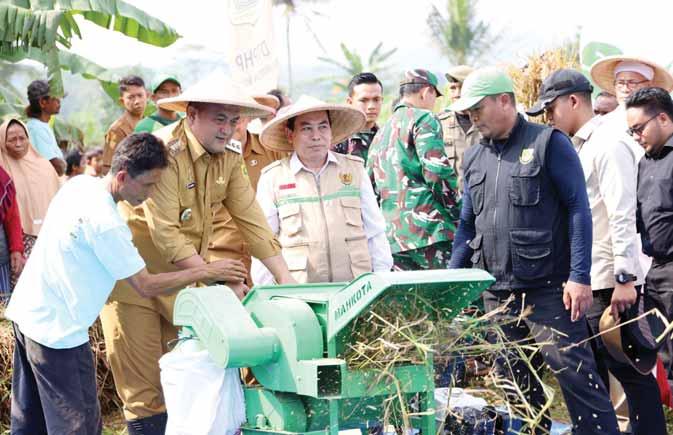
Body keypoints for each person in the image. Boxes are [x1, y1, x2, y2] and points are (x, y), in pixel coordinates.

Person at [5, 132, 250, 435]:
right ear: (122, 176)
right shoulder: (107, 223)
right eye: (147, 185)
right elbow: (145, 286)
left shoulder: (80, 185)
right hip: (58, 331)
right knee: (78, 425)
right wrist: (205, 272)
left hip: (27, 314)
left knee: (30, 423)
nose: (151, 194)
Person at [99, 76, 295, 434]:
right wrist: (214, 276)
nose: (227, 129)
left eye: (233, 120)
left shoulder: (229, 158)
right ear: (191, 115)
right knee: (144, 393)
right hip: (136, 282)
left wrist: (287, 281)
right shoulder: (163, 154)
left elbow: (252, 221)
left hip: (184, 282)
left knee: (190, 378)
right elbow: (166, 235)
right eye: (219, 119)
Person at [448, 67, 620, 435]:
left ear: (504, 101)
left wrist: (579, 276)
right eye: (468, 112)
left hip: (549, 290)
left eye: (477, 109)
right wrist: (450, 284)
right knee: (516, 388)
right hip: (497, 294)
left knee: (577, 379)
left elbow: (578, 209)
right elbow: (466, 226)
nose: (473, 118)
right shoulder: (474, 157)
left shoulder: (547, 143)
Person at [527, 69, 665, 434]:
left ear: (573, 101)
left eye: (551, 109)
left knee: (630, 371)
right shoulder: (576, 146)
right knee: (595, 369)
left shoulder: (608, 143)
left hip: (609, 279)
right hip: (587, 277)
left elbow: (622, 212)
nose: (548, 118)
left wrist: (625, 278)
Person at [254, 95, 393, 284]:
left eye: (323, 127)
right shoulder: (273, 177)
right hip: (299, 291)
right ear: (290, 134)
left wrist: (382, 279)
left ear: (331, 131)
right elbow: (264, 242)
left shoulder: (354, 170)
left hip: (356, 287)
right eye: (306, 128)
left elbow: (375, 231)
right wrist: (268, 290)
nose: (316, 136)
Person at [367, 69, 460, 271]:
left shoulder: (380, 133)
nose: (434, 103)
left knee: (409, 292)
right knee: (445, 290)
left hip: (393, 239)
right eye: (435, 96)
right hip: (429, 233)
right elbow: (436, 172)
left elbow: (370, 185)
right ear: (426, 92)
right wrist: (457, 212)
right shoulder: (424, 118)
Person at [207, 95, 287, 285]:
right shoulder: (205, 156)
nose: (230, 126)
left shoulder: (273, 149)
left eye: (237, 119)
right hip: (222, 258)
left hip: (270, 258)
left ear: (248, 118)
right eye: (222, 118)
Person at [627, 87, 673, 388]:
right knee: (666, 356)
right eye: (631, 131)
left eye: (639, 128)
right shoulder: (644, 162)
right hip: (655, 271)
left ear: (664, 119)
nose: (636, 136)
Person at [0, 119, 60, 281]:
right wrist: (16, 247)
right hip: (15, 241)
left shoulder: (45, 166)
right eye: (12, 140)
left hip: (48, 236)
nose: (18, 144)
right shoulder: (2, 168)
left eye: (22, 138)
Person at [437, 65, 481, 189]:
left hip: (484, 195)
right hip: (452, 197)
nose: (457, 94)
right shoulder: (439, 123)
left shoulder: (488, 122)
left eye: (462, 88)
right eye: (453, 88)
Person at [332, 72, 383, 164]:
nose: (371, 106)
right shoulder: (338, 139)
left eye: (376, 99)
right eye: (363, 100)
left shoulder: (387, 136)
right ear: (349, 102)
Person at [103, 75, 148, 174]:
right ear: (122, 101)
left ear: (147, 96)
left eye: (140, 95)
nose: (137, 101)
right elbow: (107, 167)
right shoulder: (116, 130)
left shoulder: (151, 124)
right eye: (131, 97)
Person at [24, 80, 66, 176]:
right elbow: (57, 167)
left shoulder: (41, 126)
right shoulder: (36, 129)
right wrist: (62, 164)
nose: (59, 101)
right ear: (43, 102)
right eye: (55, 98)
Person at [0, 165, 24, 303]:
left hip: (1, 259)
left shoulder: (2, 178)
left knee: (3, 309)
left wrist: (16, 249)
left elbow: (12, 215)